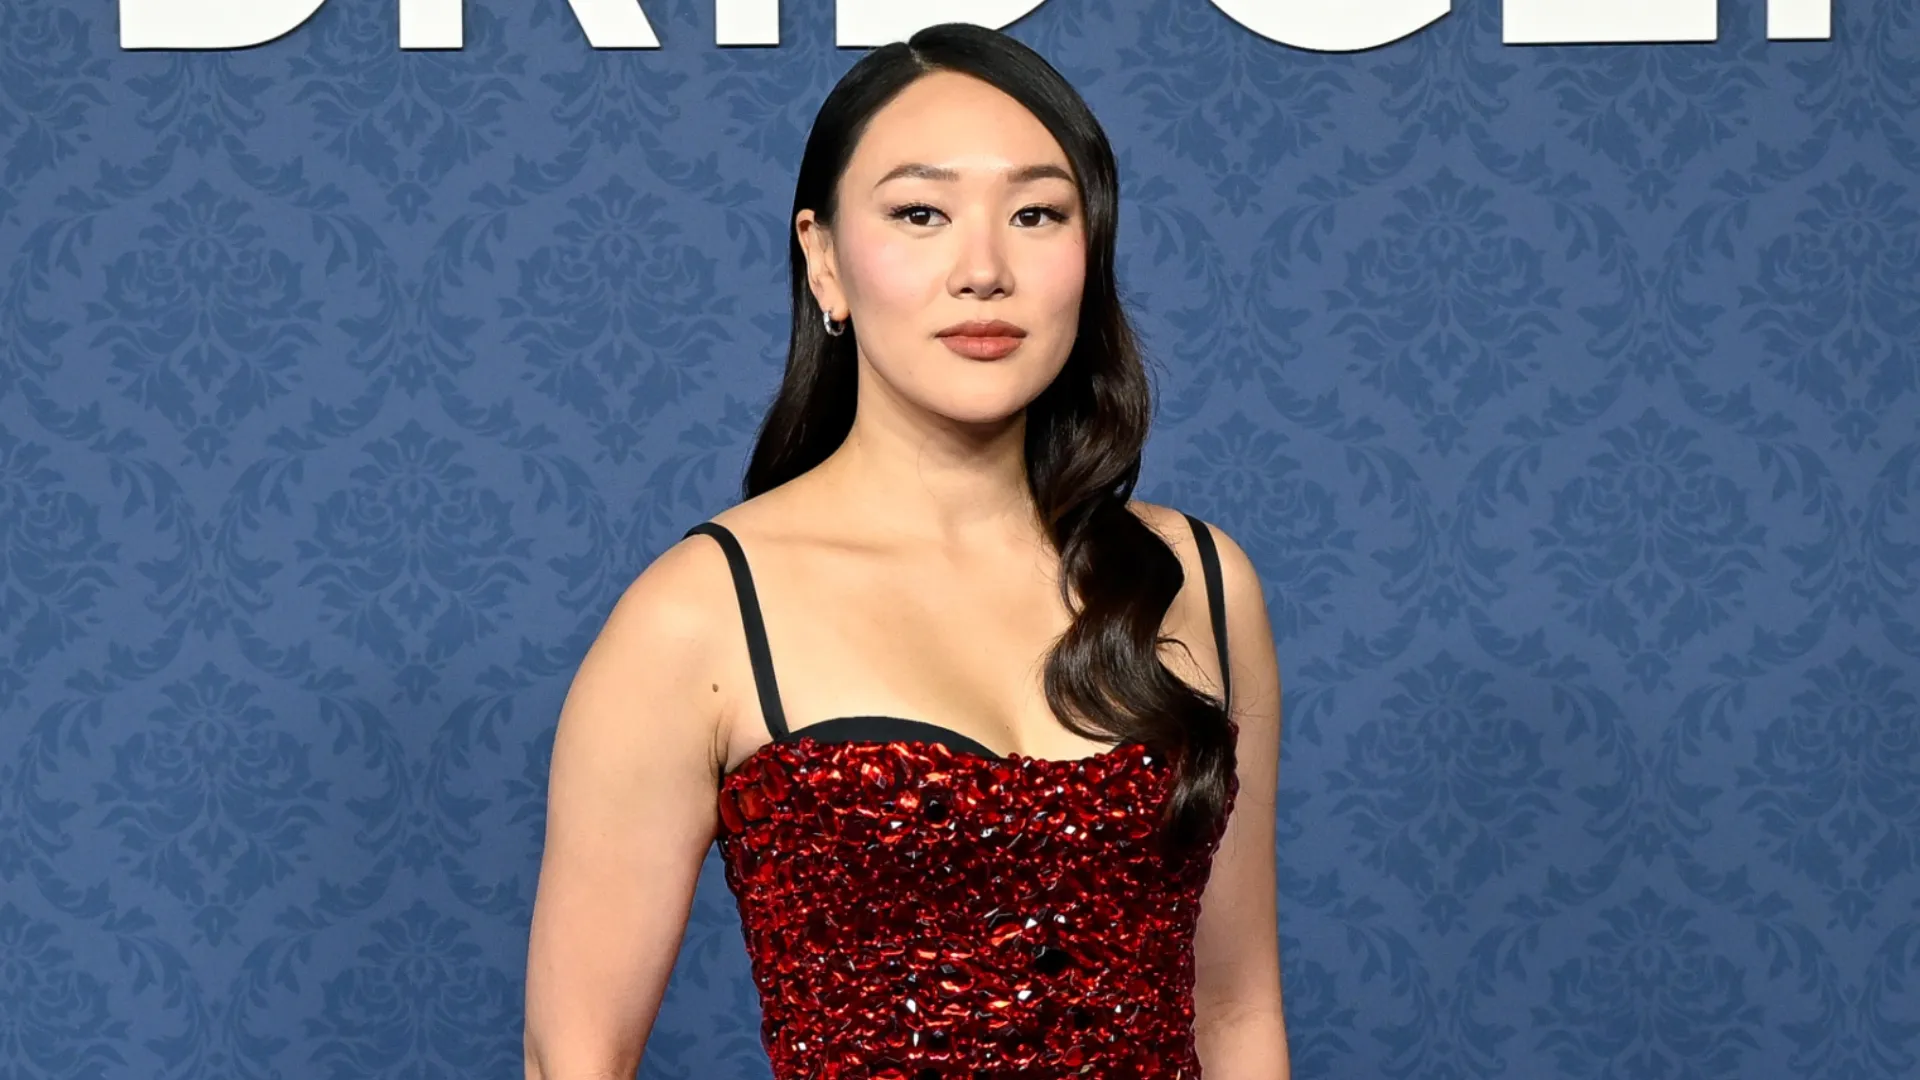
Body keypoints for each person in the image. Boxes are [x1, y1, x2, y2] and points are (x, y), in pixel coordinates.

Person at [523, 22, 1289, 1079]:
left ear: (1091, 250)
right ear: (824, 259)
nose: (984, 270)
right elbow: (575, 1056)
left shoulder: (1199, 580)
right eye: (920, 213)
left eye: (1036, 214)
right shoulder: (698, 612)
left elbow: (1238, 1014)